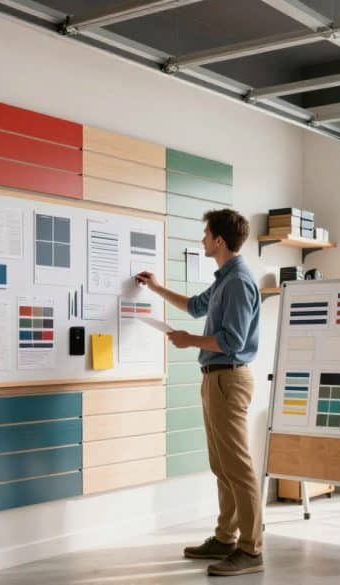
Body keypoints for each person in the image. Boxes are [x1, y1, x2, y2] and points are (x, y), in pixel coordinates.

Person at [136, 209, 263, 576]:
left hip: (229, 379)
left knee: (238, 467)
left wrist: (189, 340)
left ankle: (251, 550)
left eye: (206, 234)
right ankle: (225, 538)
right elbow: (194, 307)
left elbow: (232, 341)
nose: (202, 239)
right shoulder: (225, 279)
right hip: (214, 379)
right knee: (221, 465)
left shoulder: (238, 282)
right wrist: (156, 288)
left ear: (219, 240)